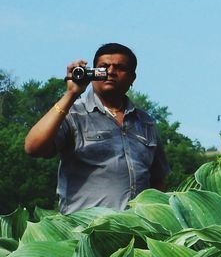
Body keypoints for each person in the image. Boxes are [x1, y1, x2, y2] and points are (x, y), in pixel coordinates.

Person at [24, 43, 169, 213]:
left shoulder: (146, 123)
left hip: (136, 231)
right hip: (83, 232)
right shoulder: (73, 114)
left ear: (132, 78)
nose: (111, 72)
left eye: (120, 68)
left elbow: (157, 180)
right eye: (104, 67)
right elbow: (33, 147)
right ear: (93, 73)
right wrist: (71, 93)